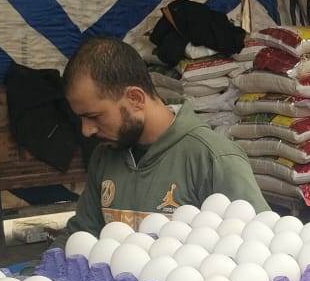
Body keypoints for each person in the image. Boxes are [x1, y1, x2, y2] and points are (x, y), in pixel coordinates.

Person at [62, 37, 267, 233]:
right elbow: (81, 235)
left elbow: (256, 243)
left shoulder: (213, 159)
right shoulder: (104, 157)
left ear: (135, 98)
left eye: (94, 116)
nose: (86, 130)